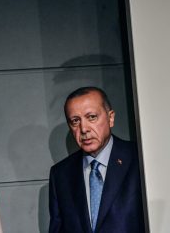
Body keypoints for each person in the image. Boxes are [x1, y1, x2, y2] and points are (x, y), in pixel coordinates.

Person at [49, 86, 147, 233]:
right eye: (75, 121)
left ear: (111, 118)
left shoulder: (139, 158)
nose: (84, 129)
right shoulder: (60, 174)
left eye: (91, 117)